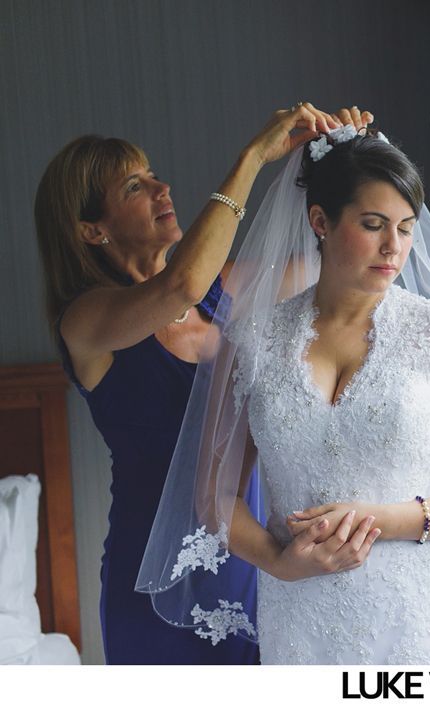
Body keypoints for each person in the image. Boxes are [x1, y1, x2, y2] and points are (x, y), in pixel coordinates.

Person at [138, 125, 430, 664]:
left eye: (406, 228)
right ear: (320, 221)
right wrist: (278, 562)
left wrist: (384, 520)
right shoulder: (252, 342)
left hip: (423, 615)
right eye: (373, 225)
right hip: (301, 619)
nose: (395, 247)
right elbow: (215, 497)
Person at [34, 103, 374, 664]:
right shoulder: (87, 323)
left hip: (255, 557)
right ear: (92, 229)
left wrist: (347, 157)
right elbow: (181, 286)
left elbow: (341, 257)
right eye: (134, 187)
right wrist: (254, 156)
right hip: (152, 580)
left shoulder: (230, 289)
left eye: (153, 175)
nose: (162, 188)